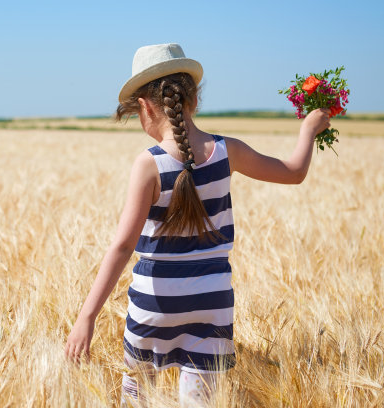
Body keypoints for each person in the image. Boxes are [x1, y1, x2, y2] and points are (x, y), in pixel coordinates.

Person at [64, 43, 330, 407]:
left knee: (137, 398)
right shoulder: (227, 150)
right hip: (212, 300)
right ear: (194, 100)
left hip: (154, 303)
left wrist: (86, 316)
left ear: (145, 107)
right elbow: (294, 172)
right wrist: (309, 129)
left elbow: (123, 247)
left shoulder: (149, 164)